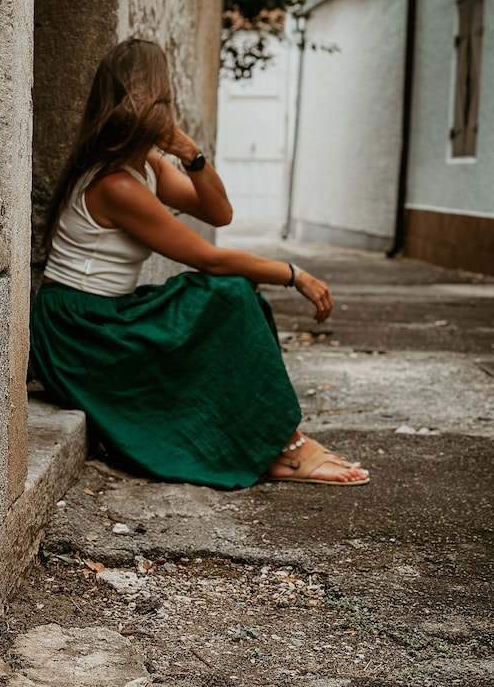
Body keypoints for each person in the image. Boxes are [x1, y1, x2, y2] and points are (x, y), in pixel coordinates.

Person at [31, 38, 369, 489]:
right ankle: (283, 448)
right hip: (80, 330)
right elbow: (210, 258)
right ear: (155, 99)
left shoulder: (145, 166)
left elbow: (219, 213)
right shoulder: (115, 183)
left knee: (229, 297)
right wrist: (293, 275)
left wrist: (191, 154)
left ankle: (279, 442)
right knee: (226, 294)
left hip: (106, 316)